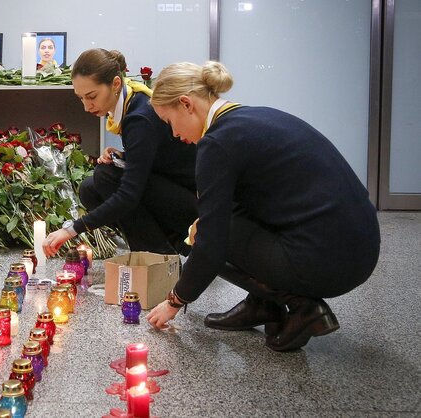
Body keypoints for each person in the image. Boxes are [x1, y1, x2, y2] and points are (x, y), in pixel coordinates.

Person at [144, 61, 380, 352]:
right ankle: (262, 305)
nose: (175, 135)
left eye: (169, 122)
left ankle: (304, 309)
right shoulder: (254, 117)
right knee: (220, 220)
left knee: (206, 233)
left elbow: (211, 245)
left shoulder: (217, 143)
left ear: (186, 104)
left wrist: (174, 301)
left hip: (326, 261)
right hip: (361, 249)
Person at [43, 49, 197, 257]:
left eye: (92, 96)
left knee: (106, 176)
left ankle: (159, 256)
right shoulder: (134, 101)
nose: (87, 107)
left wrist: (71, 229)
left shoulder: (140, 116)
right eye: (80, 98)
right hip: (173, 193)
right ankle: (166, 243)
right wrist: (125, 156)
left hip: (194, 208)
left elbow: (130, 194)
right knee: (90, 188)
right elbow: (158, 156)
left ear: (116, 84)